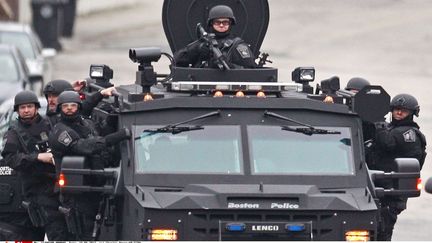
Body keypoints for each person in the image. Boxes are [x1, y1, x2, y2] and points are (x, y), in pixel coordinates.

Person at [48, 91, 129, 240]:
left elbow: (97, 127)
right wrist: (116, 137)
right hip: (76, 193)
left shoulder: (85, 122)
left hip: (95, 185)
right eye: (66, 106)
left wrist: (110, 115)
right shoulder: (59, 132)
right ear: (60, 108)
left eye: (73, 105)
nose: (70, 109)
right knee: (83, 234)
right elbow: (84, 146)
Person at [1, 90, 69, 240]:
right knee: (50, 230)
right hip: (36, 189)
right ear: (17, 110)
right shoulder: (14, 133)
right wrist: (38, 157)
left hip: (59, 186)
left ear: (36, 108)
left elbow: (71, 115)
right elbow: (11, 158)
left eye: (29, 107)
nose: (26, 111)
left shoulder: (50, 124)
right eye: (22, 108)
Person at [369, 93, 427, 241]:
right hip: (377, 188)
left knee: (382, 233)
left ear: (412, 113)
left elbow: (387, 143)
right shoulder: (392, 129)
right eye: (396, 109)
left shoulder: (409, 134)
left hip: (390, 193)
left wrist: (378, 124)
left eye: (404, 110)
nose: (399, 113)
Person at [174, 5, 257, 69]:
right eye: (217, 22)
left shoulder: (237, 45)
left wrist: (230, 66)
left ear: (230, 23)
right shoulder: (203, 42)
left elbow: (251, 71)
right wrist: (197, 50)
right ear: (211, 23)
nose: (221, 25)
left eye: (225, 22)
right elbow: (176, 61)